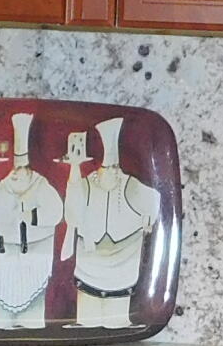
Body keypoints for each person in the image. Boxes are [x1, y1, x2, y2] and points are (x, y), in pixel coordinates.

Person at [62, 114, 162, 329]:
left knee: (117, 312)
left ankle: (119, 324)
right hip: (90, 258)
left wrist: (146, 220)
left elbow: (154, 202)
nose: (110, 174)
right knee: (88, 311)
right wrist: (74, 169)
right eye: (106, 169)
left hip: (123, 258)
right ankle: (86, 325)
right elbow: (72, 211)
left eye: (114, 169)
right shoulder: (86, 183)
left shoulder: (131, 185)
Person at [0, 109, 67, 330]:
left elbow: (55, 213)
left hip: (33, 258)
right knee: (1, 313)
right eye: (15, 168)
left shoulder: (41, 186)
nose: (17, 173)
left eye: (22, 168)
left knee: (31, 314)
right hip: (3, 260)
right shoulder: (1, 186)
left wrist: (29, 215)